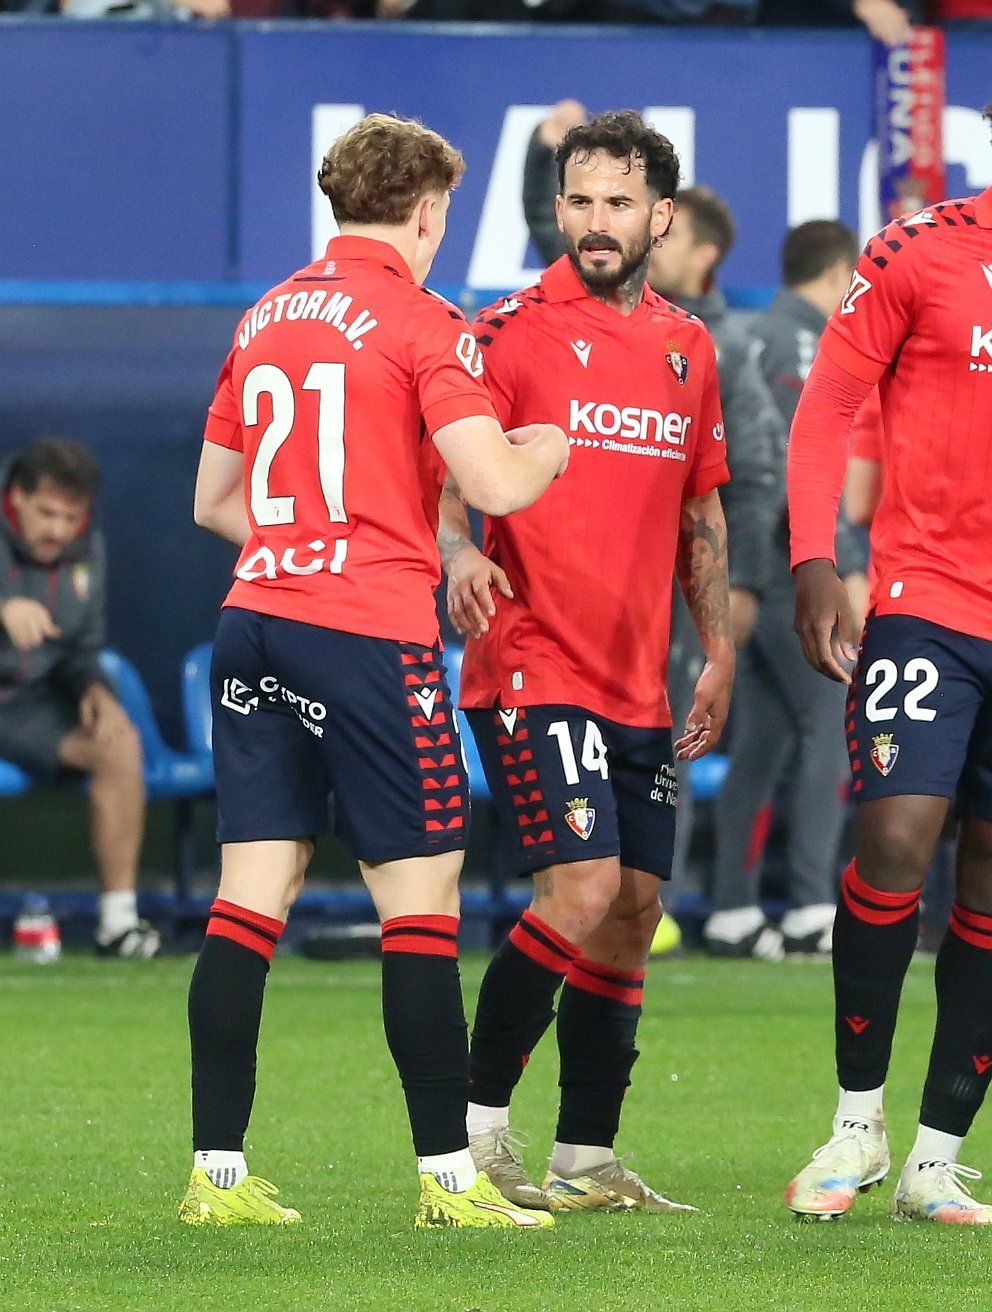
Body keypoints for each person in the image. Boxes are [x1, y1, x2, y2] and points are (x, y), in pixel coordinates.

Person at [182, 112, 568, 1231]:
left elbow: (212, 501)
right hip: (363, 633)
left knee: (249, 899)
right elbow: (491, 483)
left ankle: (216, 1174)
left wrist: (303, 542)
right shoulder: (420, 319)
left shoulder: (265, 316)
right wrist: (548, 442)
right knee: (420, 898)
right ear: (426, 212)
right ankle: (450, 1181)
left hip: (254, 618)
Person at [440, 110, 733, 1212]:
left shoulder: (686, 346)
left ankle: (585, 1157)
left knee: (634, 900)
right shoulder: (507, 329)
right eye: (578, 200)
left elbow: (700, 510)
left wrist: (716, 649)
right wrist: (459, 544)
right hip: (530, 656)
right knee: (583, 888)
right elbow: (439, 464)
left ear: (662, 213)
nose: (594, 222)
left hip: (636, 673)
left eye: (616, 202)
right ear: (556, 206)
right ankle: (473, 1133)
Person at [784, 109, 992, 1223]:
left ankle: (934, 1154)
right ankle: (854, 1122)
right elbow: (824, 409)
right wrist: (814, 559)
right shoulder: (917, 249)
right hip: (925, 600)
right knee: (895, 833)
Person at [703, 221, 868, 959]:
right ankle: (809, 907)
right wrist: (833, 565)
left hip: (750, 568)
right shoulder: (808, 346)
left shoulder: (751, 334)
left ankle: (733, 909)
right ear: (840, 275)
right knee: (830, 726)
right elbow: (805, 463)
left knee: (762, 743)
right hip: (787, 570)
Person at [644, 185, 783, 912]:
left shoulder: (719, 349)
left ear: (706, 256)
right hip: (599, 580)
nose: (648, 239)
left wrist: (743, 585)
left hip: (679, 587)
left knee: (667, 735)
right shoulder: (604, 324)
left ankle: (648, 905)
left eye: (670, 232)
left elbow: (759, 474)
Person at [0, 438, 159, 959]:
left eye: (71, 517)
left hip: (30, 706)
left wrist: (96, 691)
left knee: (119, 744)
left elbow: (81, 650)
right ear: (16, 497)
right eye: (46, 513)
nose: (58, 531)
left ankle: (118, 924)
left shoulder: (86, 550)